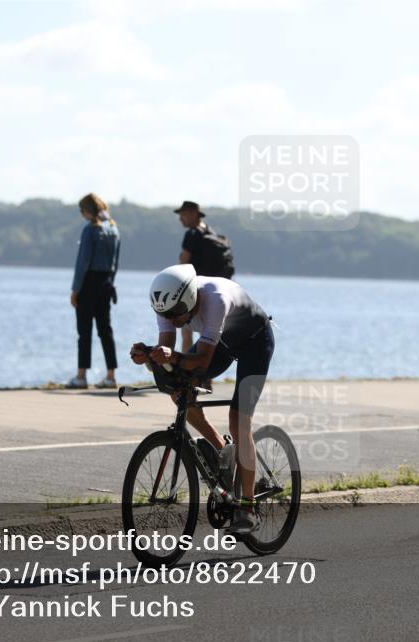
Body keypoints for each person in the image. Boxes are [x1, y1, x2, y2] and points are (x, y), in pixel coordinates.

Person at [130, 264, 273, 535]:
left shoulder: (216, 299)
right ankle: (222, 452)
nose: (171, 320)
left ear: (190, 300)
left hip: (255, 341)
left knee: (238, 421)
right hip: (221, 342)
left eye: (176, 315)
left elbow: (203, 359)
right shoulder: (167, 305)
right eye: (165, 316)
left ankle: (249, 509)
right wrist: (150, 356)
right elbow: (168, 354)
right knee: (178, 391)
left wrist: (170, 356)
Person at [69, 193, 120, 389]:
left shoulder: (90, 230)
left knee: (84, 331)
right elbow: (116, 262)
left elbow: (83, 262)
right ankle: (111, 375)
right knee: (105, 330)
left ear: (88, 210)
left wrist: (75, 289)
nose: (82, 214)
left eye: (82, 210)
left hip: (89, 282)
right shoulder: (114, 230)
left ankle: (81, 376)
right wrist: (110, 283)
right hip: (106, 282)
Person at [174, 200, 235, 352]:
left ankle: (186, 369)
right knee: (207, 333)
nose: (180, 219)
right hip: (212, 290)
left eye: (182, 215)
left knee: (186, 331)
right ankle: (206, 370)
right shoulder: (210, 232)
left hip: (194, 289)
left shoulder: (192, 234)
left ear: (193, 214)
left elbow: (184, 261)